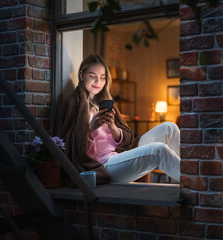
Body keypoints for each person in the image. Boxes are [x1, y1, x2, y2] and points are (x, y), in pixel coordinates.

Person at [56, 54, 180, 184]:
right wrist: (91, 127)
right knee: (158, 150)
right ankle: (192, 184)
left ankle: (190, 172)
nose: (98, 82)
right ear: (82, 75)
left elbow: (127, 140)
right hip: (103, 165)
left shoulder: (106, 103)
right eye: (92, 76)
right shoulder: (72, 103)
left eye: (102, 77)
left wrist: (113, 128)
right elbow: (66, 144)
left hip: (119, 155)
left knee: (169, 128)